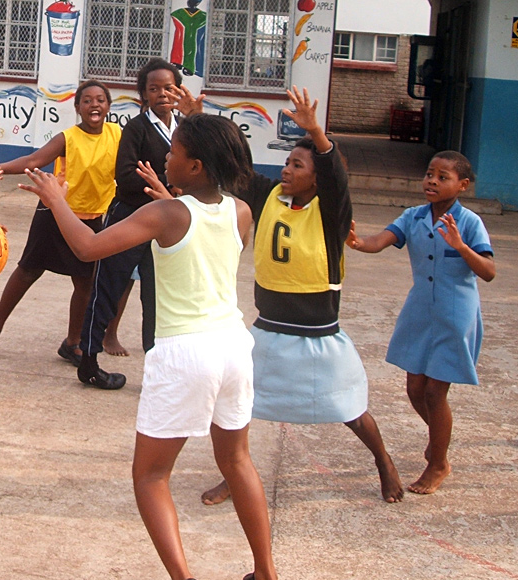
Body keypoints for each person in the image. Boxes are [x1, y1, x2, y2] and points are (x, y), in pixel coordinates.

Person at [22, 113, 278, 580]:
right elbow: (198, 233)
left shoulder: (164, 214)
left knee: (151, 477)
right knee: (238, 460)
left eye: (175, 151)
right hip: (234, 348)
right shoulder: (239, 209)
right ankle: (265, 572)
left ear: (196, 166)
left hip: (186, 354)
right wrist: (169, 202)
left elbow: (88, 246)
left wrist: (56, 199)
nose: (166, 156)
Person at [199, 86, 404, 505]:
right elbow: (234, 165)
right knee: (238, 407)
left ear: (318, 176)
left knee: (349, 409)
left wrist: (317, 133)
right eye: (287, 162)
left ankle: (383, 460)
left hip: (318, 333)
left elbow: (337, 179)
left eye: (298, 165)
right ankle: (235, 475)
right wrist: (199, 116)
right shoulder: (268, 195)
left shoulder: (331, 214)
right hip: (269, 328)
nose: (287, 170)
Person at [348, 150, 495, 494]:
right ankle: (439, 442)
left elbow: (488, 272)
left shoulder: (469, 222)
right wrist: (356, 242)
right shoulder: (413, 217)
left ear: (463, 185)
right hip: (420, 311)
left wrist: (460, 245)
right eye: (430, 174)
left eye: (443, 177)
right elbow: (379, 241)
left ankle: (438, 462)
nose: (432, 180)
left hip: (454, 314)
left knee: (434, 390)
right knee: (415, 388)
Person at [0, 80, 121, 377]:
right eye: (87, 100)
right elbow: (35, 160)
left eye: (100, 100)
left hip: (91, 218)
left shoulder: (117, 134)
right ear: (77, 106)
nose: (94, 105)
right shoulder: (68, 137)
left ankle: (72, 342)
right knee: (29, 269)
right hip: (55, 211)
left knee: (84, 282)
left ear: (108, 106)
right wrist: (1, 168)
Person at [76, 57, 204, 389]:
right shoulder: (137, 127)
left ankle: (156, 365)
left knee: (157, 295)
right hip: (131, 216)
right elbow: (125, 174)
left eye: (168, 87)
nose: (162, 94)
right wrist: (165, 186)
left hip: (167, 224)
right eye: (153, 89)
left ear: (179, 91)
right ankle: (88, 360)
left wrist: (174, 190)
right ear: (143, 95)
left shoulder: (187, 128)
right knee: (107, 288)